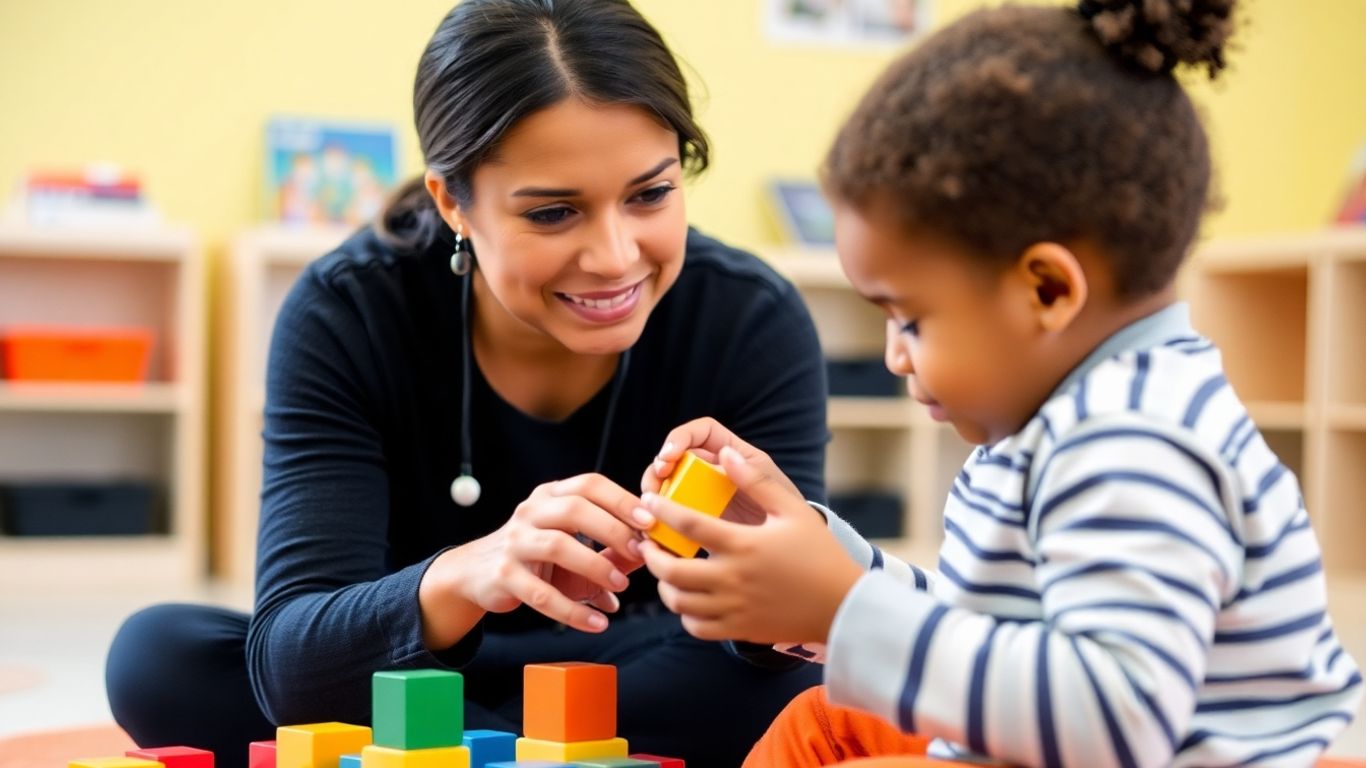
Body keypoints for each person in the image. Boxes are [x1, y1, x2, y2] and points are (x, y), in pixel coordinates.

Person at [636, 1, 1364, 765]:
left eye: (912, 320)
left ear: (1047, 290)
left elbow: (1116, 718)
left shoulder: (1130, 443)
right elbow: (985, 632)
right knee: (821, 723)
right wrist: (825, 565)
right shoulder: (1066, 417)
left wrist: (844, 607)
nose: (894, 356)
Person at [105, 2, 828, 766]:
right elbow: (295, 656)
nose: (617, 257)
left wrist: (779, 593)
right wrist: (468, 573)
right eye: (554, 213)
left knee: (785, 686)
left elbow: (785, 631)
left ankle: (463, 753)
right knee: (161, 658)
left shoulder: (751, 318)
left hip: (635, 668)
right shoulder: (348, 312)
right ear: (452, 200)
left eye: (650, 194)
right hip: (408, 663)